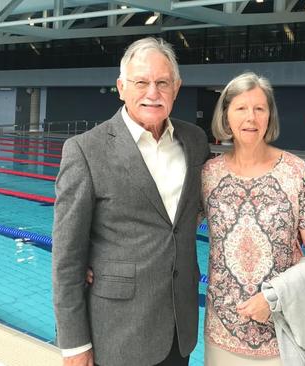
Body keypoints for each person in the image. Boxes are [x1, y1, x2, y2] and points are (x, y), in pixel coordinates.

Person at [52, 37, 210, 366]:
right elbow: (67, 259)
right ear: (121, 87)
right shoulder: (86, 150)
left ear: (176, 88)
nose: (153, 92)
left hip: (179, 330)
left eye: (162, 82)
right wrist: (74, 345)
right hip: (119, 333)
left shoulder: (194, 140)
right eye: (141, 82)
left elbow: (193, 211)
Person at [201, 72, 305, 365]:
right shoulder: (208, 175)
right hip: (222, 332)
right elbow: (170, 227)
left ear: (269, 116)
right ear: (226, 115)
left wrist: (274, 296)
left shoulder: (295, 172)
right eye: (241, 108)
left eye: (259, 109)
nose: (251, 118)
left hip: (282, 331)